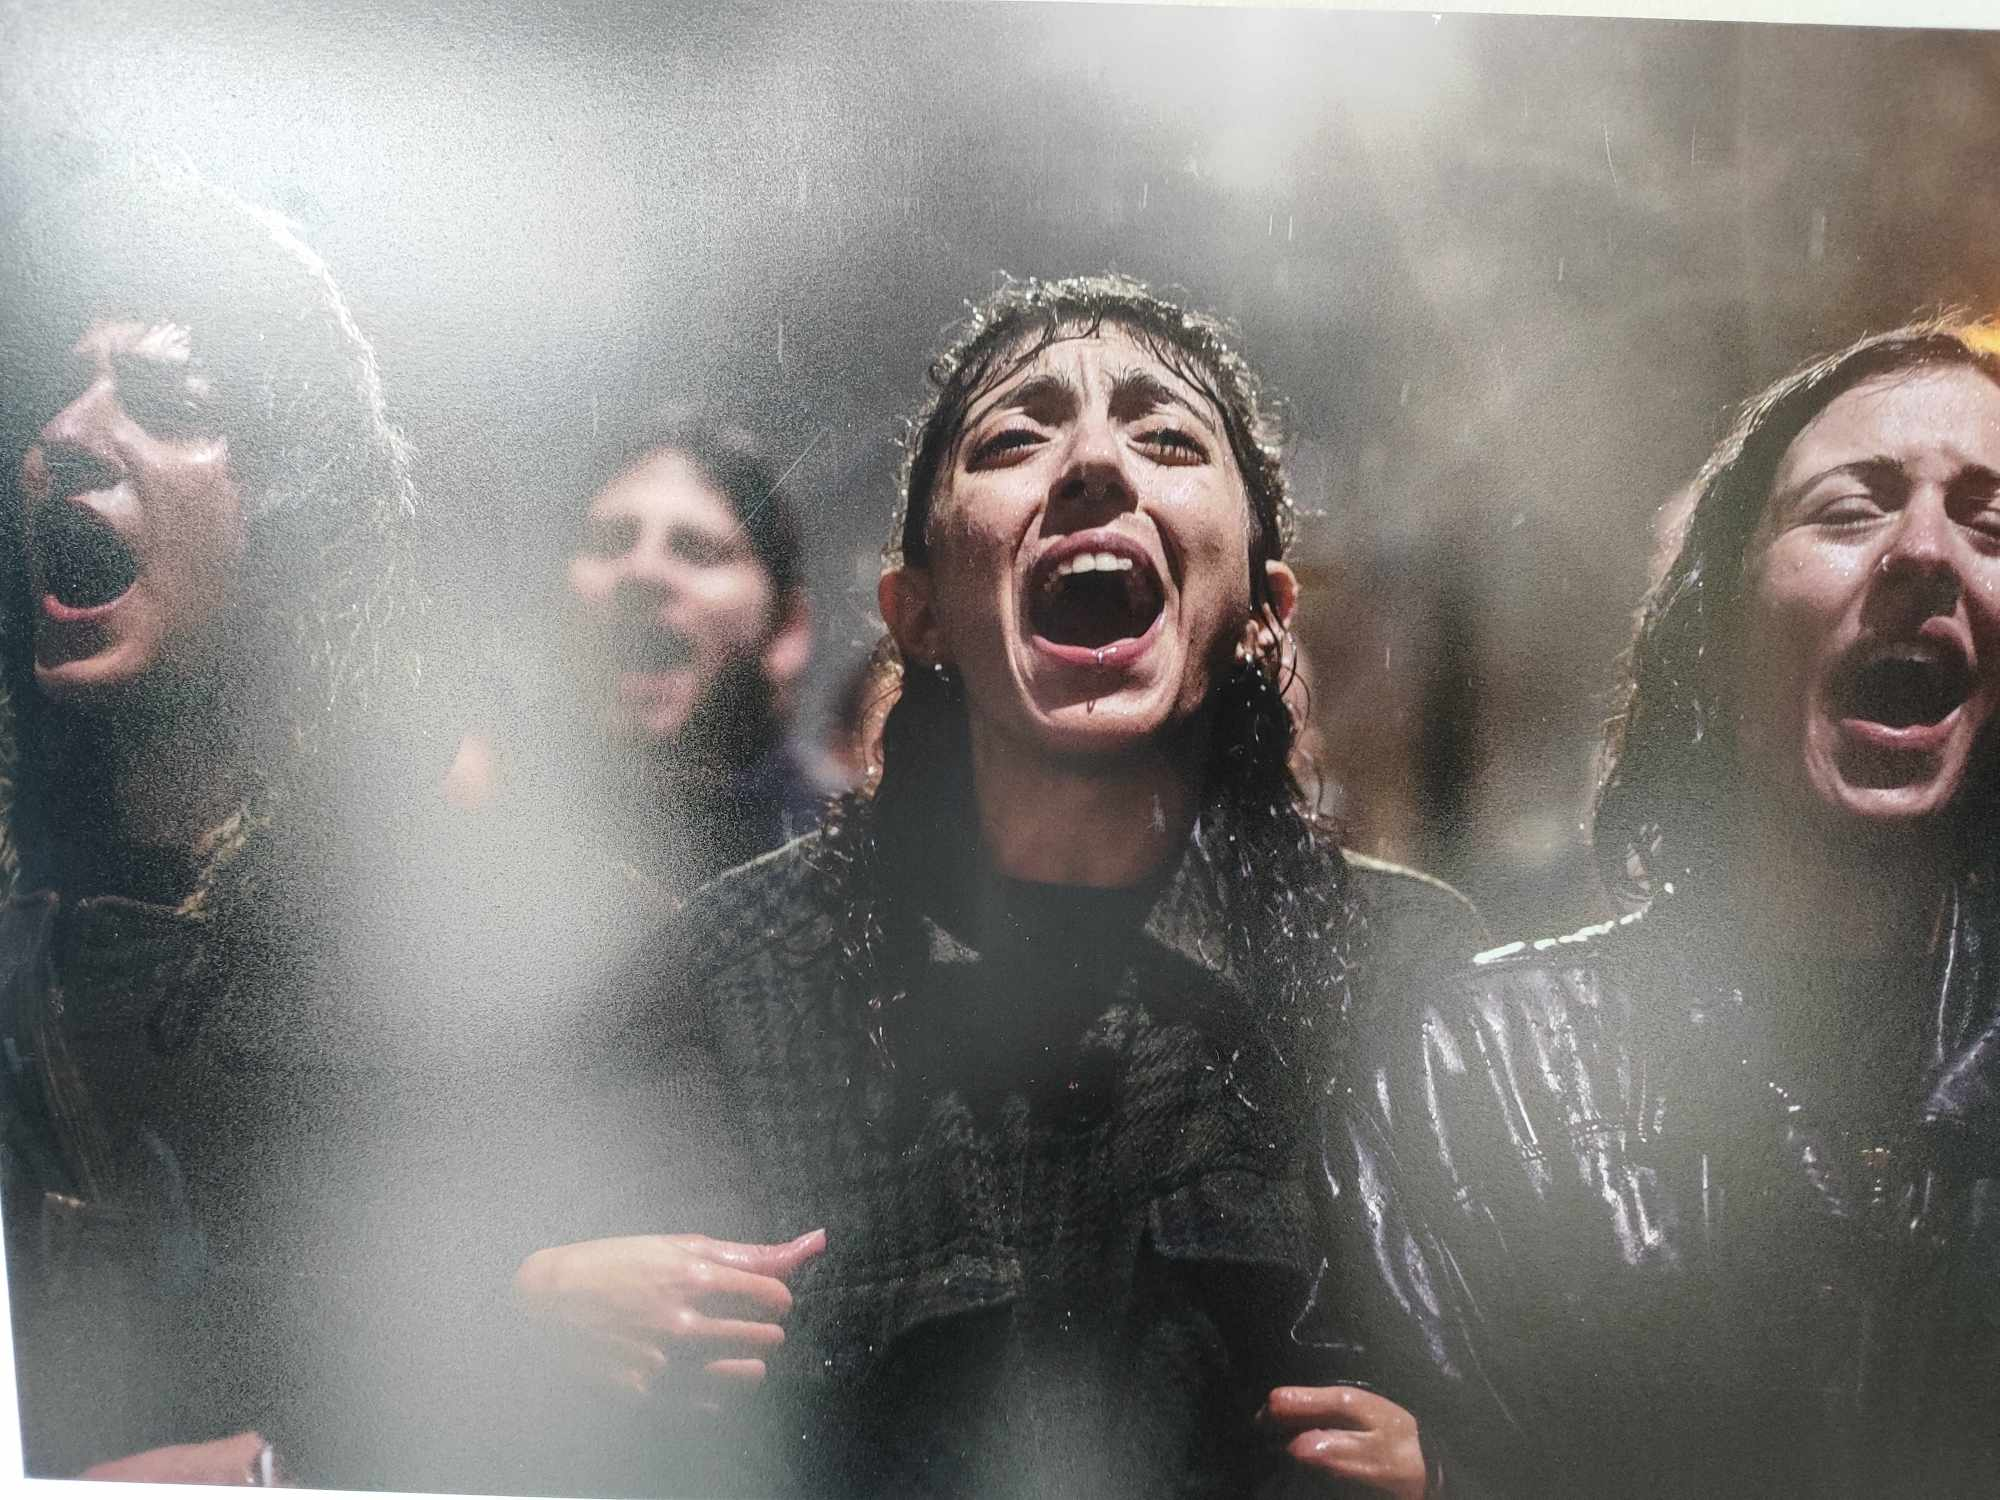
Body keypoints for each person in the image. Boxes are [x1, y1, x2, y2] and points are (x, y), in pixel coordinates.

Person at [517, 274, 1484, 1498]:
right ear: (916, 614)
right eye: (1015, 439)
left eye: (1166, 438)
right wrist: (534, 1305)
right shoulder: (736, 972)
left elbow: (1581, 1384)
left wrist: (1473, 1471)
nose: (1093, 463)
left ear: (1261, 609)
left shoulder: (1403, 976)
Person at [1333, 318, 2000, 1496]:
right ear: (1715, 621)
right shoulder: (1480, 1065)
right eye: (1848, 509)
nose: (1921, 551)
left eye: (1989, 524)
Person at [0, 159, 429, 1482]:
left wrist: (268, 1474)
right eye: (60, 391)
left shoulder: (429, 950)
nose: (66, 433)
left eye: (168, 401)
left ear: (301, 517)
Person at [453, 411, 828, 896]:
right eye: (610, 542)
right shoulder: (465, 829)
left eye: (696, 550)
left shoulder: (846, 871)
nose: (642, 571)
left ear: (787, 630)